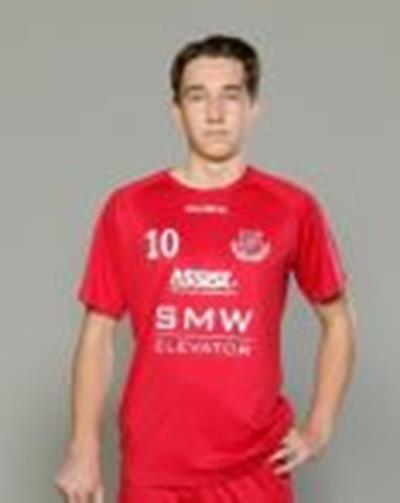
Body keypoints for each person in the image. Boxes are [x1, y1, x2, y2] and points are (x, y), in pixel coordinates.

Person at [54, 33, 357, 503]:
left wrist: (319, 427)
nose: (215, 113)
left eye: (230, 96)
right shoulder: (130, 207)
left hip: (256, 465)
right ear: (176, 111)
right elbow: (97, 335)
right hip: (155, 466)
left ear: (253, 108)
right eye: (197, 97)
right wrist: (83, 448)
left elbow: (338, 320)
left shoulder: (292, 208)